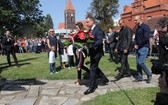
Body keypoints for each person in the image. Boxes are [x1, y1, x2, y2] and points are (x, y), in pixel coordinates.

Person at [84, 15, 109, 95]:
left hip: (98, 52)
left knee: (92, 68)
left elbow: (99, 41)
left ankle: (92, 87)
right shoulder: (90, 30)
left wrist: (91, 44)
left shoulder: (98, 30)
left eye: (87, 22)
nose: (86, 23)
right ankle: (104, 78)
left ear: (92, 21)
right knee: (94, 67)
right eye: (86, 22)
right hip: (93, 52)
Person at [153, 16, 168, 105]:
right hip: (164, 61)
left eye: (163, 27)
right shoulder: (162, 34)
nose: (162, 29)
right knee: (163, 81)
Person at [133, 15, 152, 83]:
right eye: (134, 20)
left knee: (141, 62)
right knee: (138, 63)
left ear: (140, 19)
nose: (134, 21)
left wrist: (138, 45)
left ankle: (149, 74)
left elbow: (146, 38)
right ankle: (139, 77)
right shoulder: (137, 28)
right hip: (138, 47)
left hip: (144, 47)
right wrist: (135, 44)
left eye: (136, 20)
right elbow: (135, 38)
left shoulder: (145, 27)